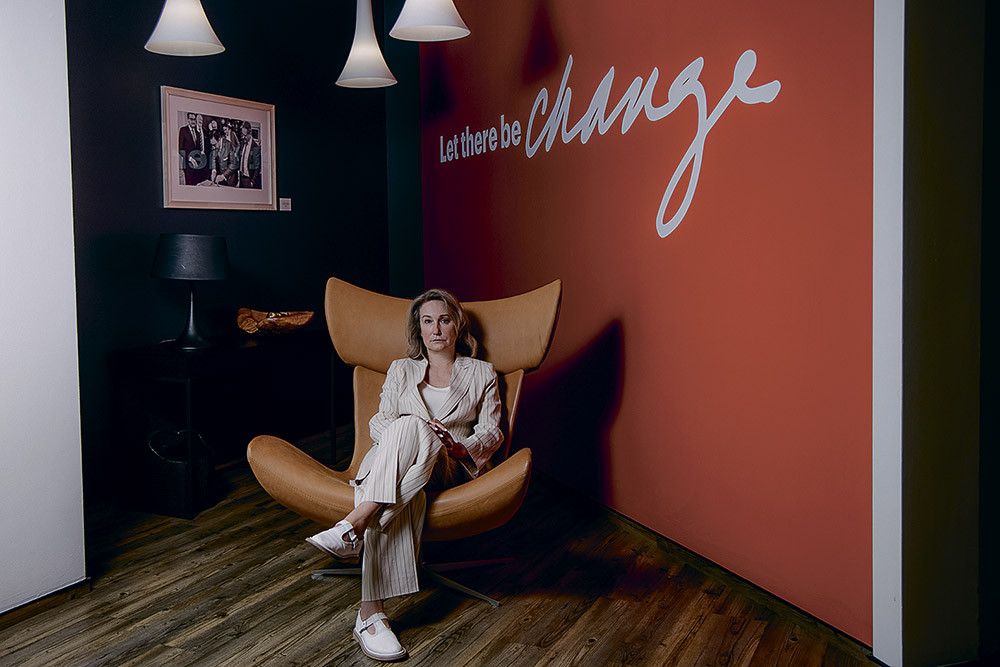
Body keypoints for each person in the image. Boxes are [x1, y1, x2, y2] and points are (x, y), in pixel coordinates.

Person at [306, 288, 503, 662]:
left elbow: (492, 431)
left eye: (444, 320)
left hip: (446, 466)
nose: (436, 329)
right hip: (395, 463)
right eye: (427, 321)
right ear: (419, 328)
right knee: (409, 426)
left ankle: (356, 525)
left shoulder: (482, 373)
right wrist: (410, 434)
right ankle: (371, 616)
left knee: (414, 428)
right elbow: (379, 421)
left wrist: (460, 447)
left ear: (457, 325)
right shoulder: (401, 369)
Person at [237, 120, 261, 189]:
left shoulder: (255, 147)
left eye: (245, 135)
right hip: (241, 178)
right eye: (242, 135)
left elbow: (257, 167)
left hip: (248, 179)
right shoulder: (242, 143)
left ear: (250, 133)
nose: (243, 137)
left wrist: (252, 182)